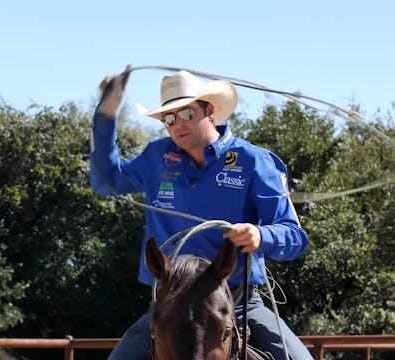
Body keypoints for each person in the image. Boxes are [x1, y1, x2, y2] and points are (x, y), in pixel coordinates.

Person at [90, 67, 312, 360]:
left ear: (209, 110)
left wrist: (260, 234)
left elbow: (295, 237)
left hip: (238, 302)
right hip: (171, 304)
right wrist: (106, 115)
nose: (176, 124)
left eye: (185, 113)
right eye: (168, 118)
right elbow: (105, 181)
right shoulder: (156, 157)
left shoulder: (253, 161)